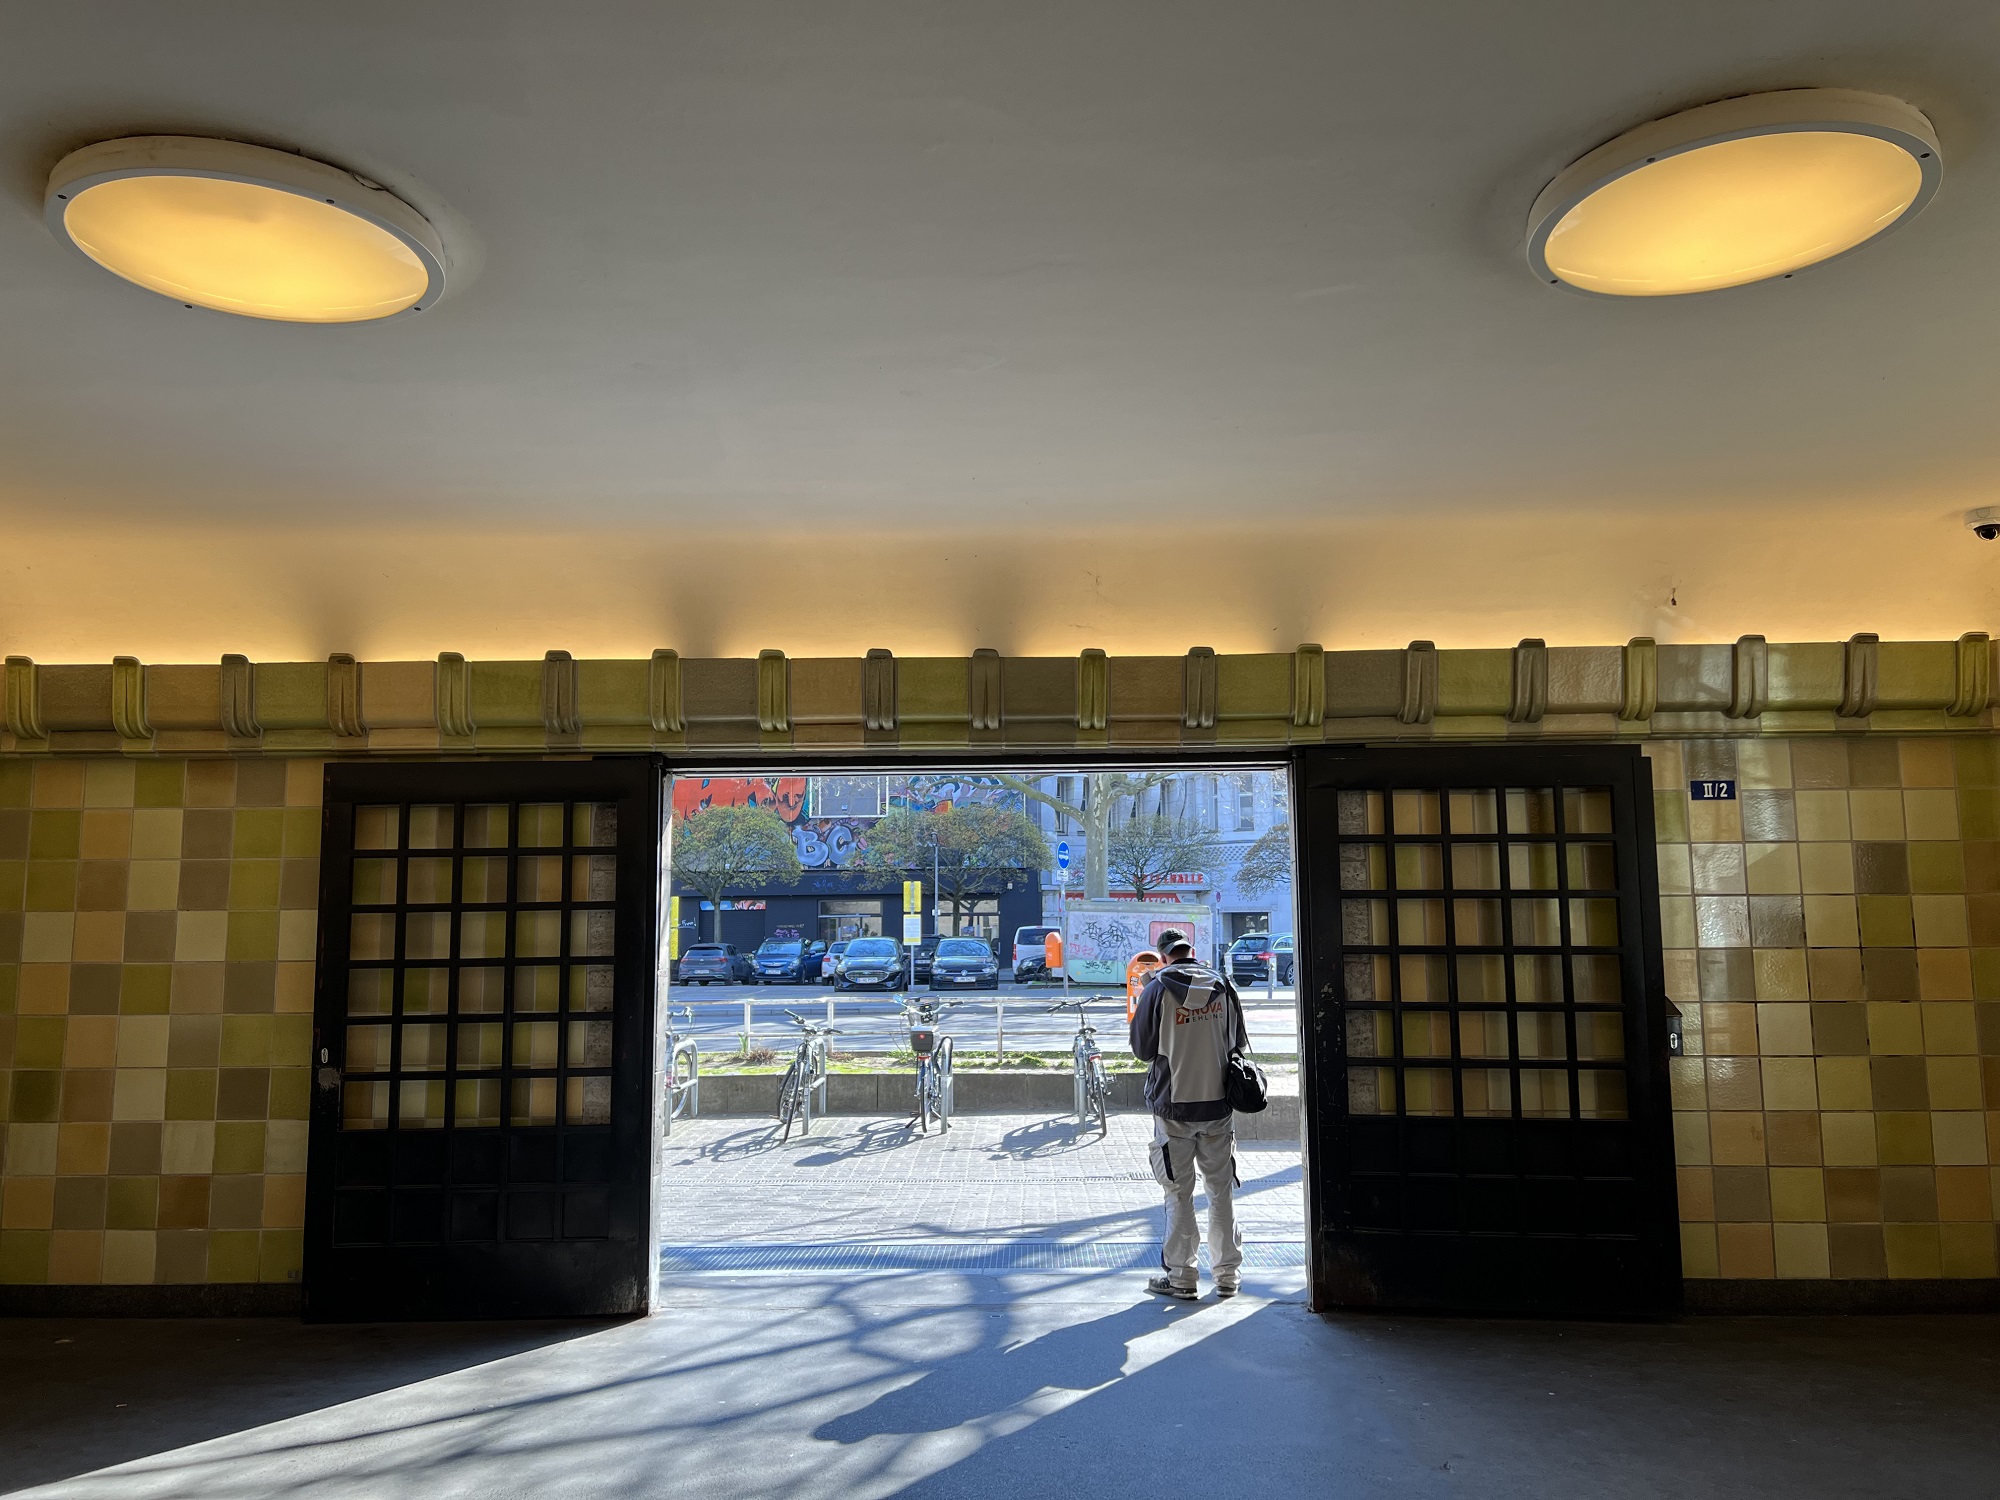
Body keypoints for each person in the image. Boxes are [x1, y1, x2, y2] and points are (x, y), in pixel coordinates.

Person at [1128, 928, 1248, 1300]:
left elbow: (1142, 1051)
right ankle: (1227, 1276)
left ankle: (1182, 1277)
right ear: (1191, 951)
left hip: (1173, 1107)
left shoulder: (1156, 989)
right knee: (1221, 1191)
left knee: (1179, 1194)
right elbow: (1237, 1043)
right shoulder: (1223, 985)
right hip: (1218, 1104)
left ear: (1164, 956)